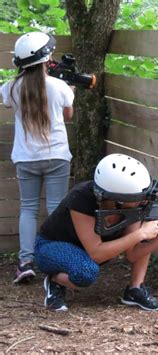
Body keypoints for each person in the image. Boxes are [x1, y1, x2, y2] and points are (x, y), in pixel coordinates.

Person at [34, 153, 158, 312]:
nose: (144, 200)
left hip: (87, 252)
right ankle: (55, 280)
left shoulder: (134, 206)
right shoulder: (81, 198)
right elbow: (97, 253)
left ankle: (135, 289)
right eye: (139, 197)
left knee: (88, 265)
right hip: (51, 246)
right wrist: (140, 234)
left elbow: (133, 254)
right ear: (118, 199)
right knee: (86, 272)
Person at [1, 32, 75, 283]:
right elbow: (68, 116)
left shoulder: (11, 88)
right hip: (56, 156)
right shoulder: (60, 86)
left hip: (25, 158)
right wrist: (69, 90)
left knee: (28, 209)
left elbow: (7, 101)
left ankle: (25, 262)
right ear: (46, 58)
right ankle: (56, 262)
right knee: (56, 209)